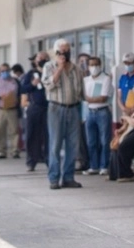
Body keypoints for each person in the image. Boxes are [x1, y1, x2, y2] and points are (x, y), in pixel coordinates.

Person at [42, 38, 86, 189]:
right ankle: (54, 178)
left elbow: (81, 91)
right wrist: (59, 69)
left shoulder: (76, 69)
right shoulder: (49, 66)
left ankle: (68, 177)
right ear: (56, 52)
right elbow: (48, 85)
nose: (65, 53)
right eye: (62, 50)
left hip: (73, 108)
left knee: (73, 145)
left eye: (67, 50)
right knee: (55, 144)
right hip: (56, 108)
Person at [83, 56, 113, 174]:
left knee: (104, 140)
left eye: (96, 65)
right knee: (91, 141)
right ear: (88, 66)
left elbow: (103, 98)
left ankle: (104, 166)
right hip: (89, 112)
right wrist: (91, 99)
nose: (94, 67)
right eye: (91, 65)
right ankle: (94, 166)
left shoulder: (105, 78)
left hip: (102, 111)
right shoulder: (86, 80)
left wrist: (89, 99)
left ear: (100, 65)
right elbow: (83, 97)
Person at [21, 53, 49, 172]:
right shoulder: (31, 74)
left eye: (44, 59)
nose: (41, 61)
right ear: (35, 61)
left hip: (49, 107)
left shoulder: (51, 72)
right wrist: (33, 84)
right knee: (32, 135)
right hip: (34, 107)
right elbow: (23, 89)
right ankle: (31, 161)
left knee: (49, 136)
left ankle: (49, 161)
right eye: (39, 59)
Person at [0, 65, 21, 159]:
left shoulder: (15, 81)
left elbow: (20, 93)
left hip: (12, 109)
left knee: (14, 131)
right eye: (2, 71)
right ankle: (1, 151)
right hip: (0, 109)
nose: (4, 72)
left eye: (6, 70)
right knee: (0, 130)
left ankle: (14, 151)